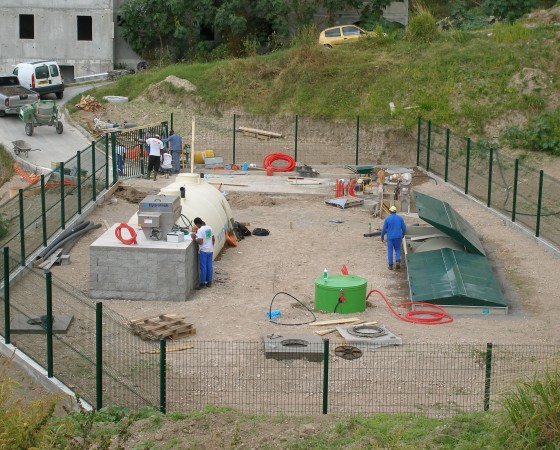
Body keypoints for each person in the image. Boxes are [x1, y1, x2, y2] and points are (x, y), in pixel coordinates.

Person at [191, 217, 215, 289]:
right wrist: (211, 246)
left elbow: (200, 242)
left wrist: (194, 238)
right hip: (210, 250)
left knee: (203, 267)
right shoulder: (210, 228)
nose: (196, 227)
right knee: (209, 266)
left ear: (198, 224)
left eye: (196, 225)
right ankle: (209, 282)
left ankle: (202, 283)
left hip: (204, 251)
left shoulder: (200, 230)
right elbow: (213, 239)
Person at [380, 205, 407, 270]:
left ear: (390, 211)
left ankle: (390, 265)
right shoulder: (400, 218)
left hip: (390, 237)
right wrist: (403, 234)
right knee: (398, 249)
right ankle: (397, 261)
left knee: (390, 251)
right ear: (395, 211)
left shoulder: (387, 218)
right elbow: (404, 228)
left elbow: (384, 229)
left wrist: (382, 236)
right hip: (398, 237)